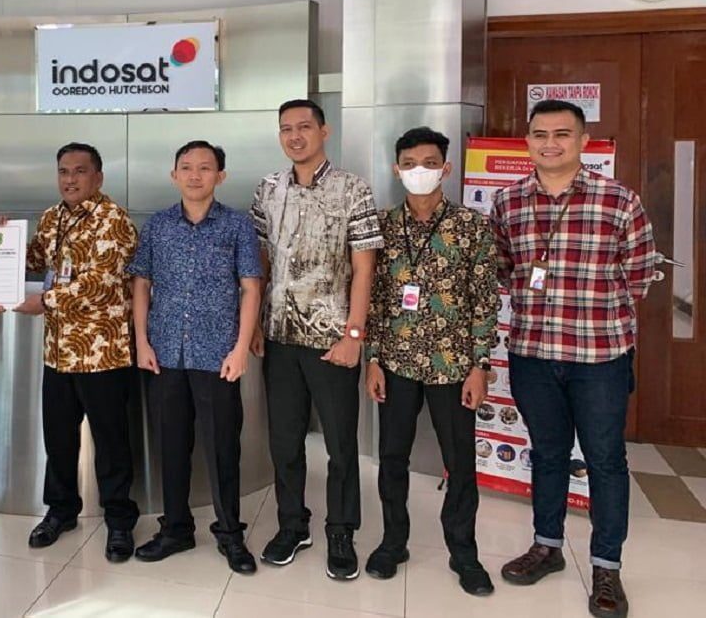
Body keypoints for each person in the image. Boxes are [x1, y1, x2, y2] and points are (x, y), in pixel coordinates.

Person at [491, 100, 656, 618]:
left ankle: (606, 568)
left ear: (584, 141)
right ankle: (547, 546)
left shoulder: (619, 200)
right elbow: (503, 268)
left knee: (605, 460)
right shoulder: (508, 202)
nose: (550, 143)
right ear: (527, 142)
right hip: (533, 355)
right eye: (540, 134)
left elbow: (639, 276)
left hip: (599, 357)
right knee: (547, 454)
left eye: (562, 134)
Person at [0, 142, 140, 562]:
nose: (70, 179)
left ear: (98, 177)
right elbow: (36, 259)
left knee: (111, 441)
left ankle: (119, 520)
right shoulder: (53, 217)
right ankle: (61, 510)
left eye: (79, 171)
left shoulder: (114, 220)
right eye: (63, 171)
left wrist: (45, 302)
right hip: (58, 352)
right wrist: (1, 244)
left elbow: (100, 283)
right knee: (58, 438)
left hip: (103, 353)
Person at [249, 98, 382, 579]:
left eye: (304, 126)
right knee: (284, 442)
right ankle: (293, 525)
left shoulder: (353, 189)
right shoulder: (267, 190)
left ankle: (341, 531)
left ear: (324, 131)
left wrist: (354, 335)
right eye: (286, 128)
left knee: (341, 445)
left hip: (332, 340)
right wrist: (256, 322)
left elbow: (365, 269)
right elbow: (261, 261)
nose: (295, 136)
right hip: (280, 337)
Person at [363, 127, 497, 595]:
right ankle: (392, 542)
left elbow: (485, 300)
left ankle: (464, 552)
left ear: (446, 168)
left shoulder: (471, 226)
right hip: (396, 362)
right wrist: (373, 359)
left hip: (453, 364)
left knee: (460, 462)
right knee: (391, 457)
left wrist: (480, 365)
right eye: (409, 163)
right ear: (396, 169)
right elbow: (374, 298)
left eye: (429, 163)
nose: (418, 171)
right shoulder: (382, 225)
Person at [129, 140, 262, 575]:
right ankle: (176, 529)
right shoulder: (157, 225)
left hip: (218, 355)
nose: (195, 175)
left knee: (223, 448)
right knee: (172, 447)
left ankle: (230, 534)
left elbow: (251, 288)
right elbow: (141, 284)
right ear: (174, 175)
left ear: (220, 176)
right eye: (186, 167)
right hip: (165, 353)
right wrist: (143, 342)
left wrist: (240, 348)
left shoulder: (237, 226)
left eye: (205, 168)